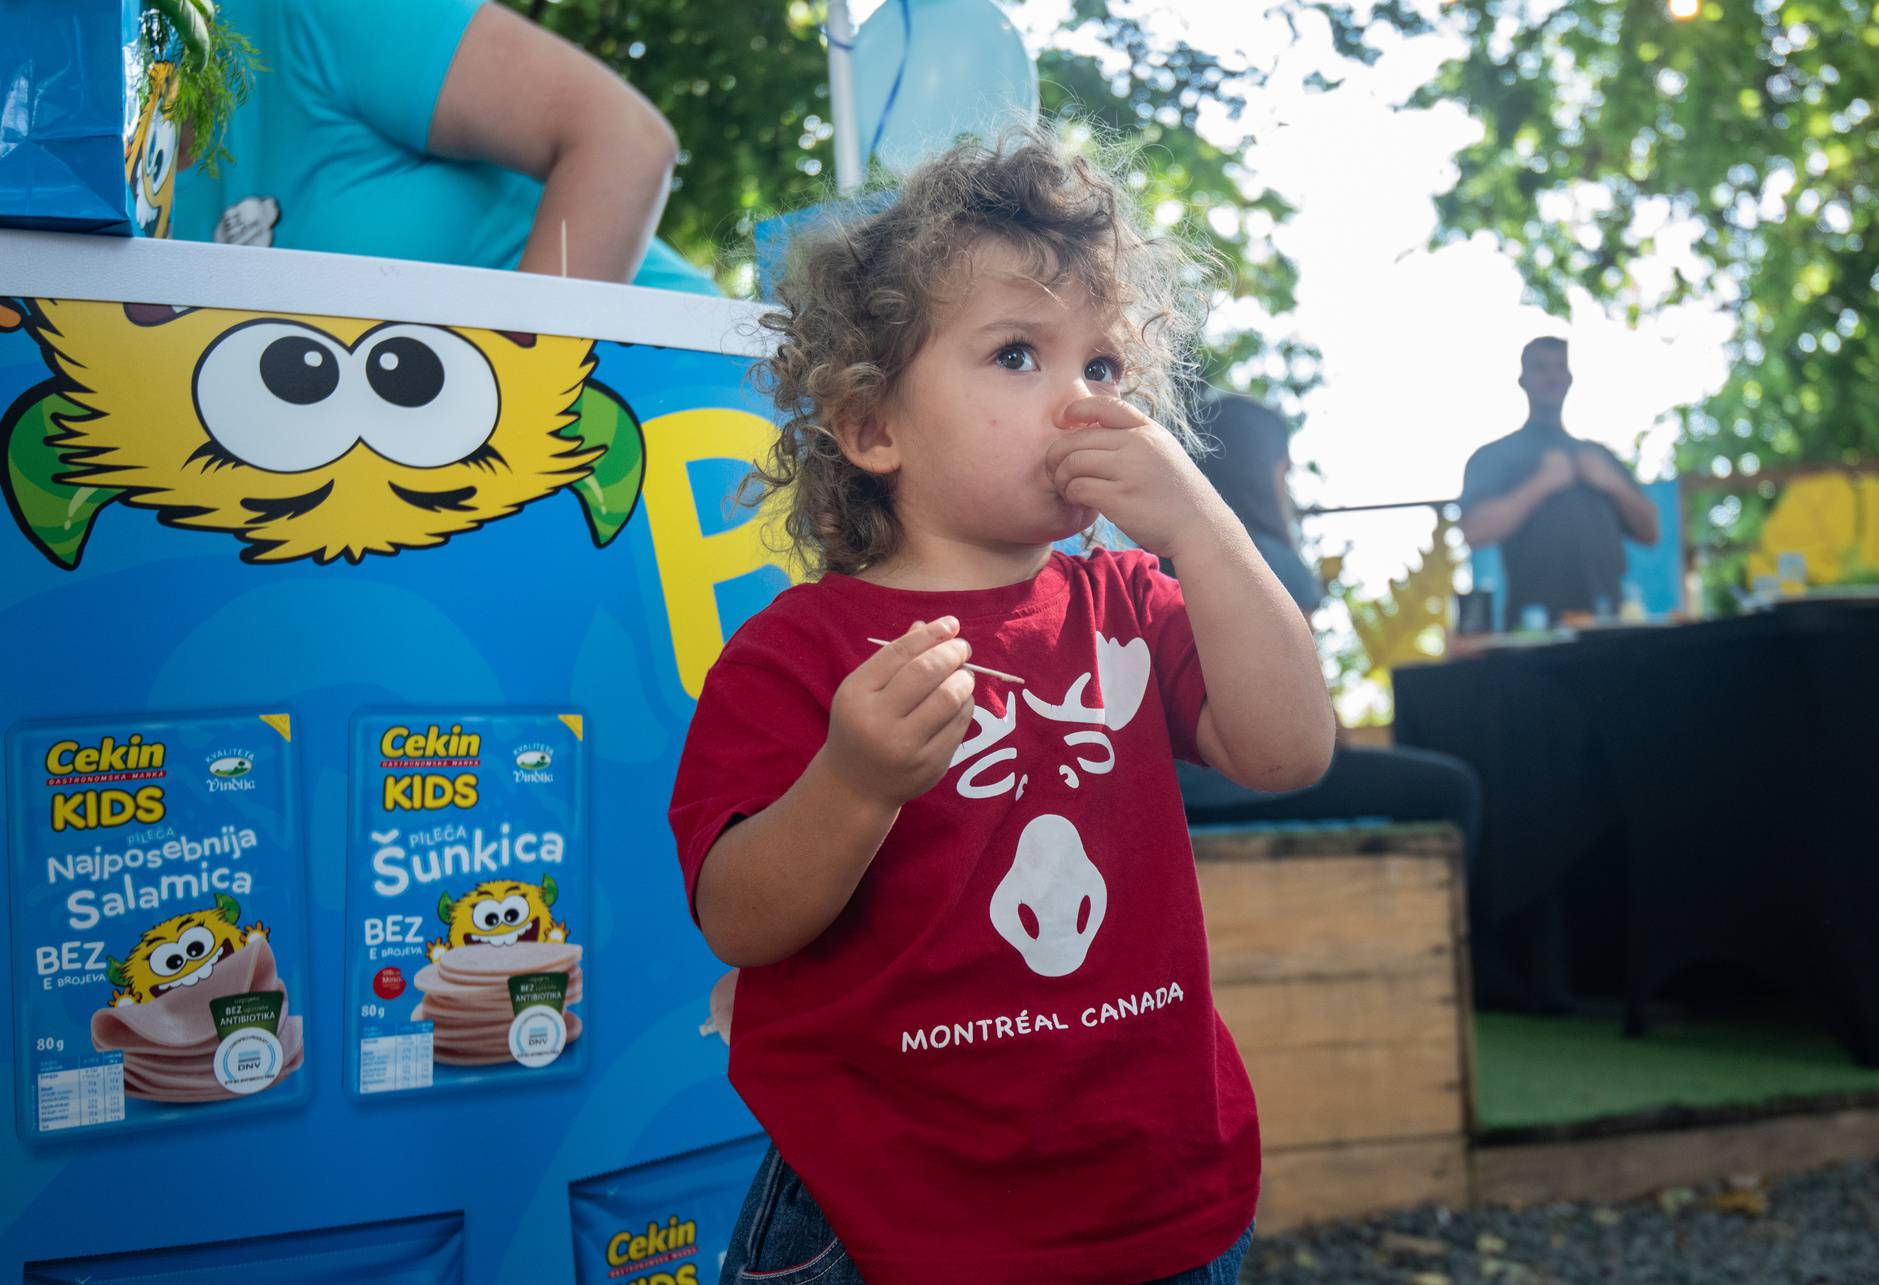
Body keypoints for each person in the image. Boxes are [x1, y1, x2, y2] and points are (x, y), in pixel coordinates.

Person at [667, 132, 1334, 1284]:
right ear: (874, 427)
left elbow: (1289, 748)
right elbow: (738, 919)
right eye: (1019, 353)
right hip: (886, 1220)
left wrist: (1198, 524)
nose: (1082, 403)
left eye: (1108, 368)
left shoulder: (1131, 601)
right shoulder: (798, 653)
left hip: (1158, 1196)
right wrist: (856, 782)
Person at [165, 0, 717, 292]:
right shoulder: (118, 201)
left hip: (685, 424)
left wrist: (524, 379)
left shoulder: (295, 15)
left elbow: (624, 139)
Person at [1173, 391, 1483, 872]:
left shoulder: (1154, 558)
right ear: (1264, 472)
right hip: (1258, 787)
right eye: (1285, 470)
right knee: (1454, 786)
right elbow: (1313, 720)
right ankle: (1470, 937)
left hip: (1182, 793)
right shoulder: (1268, 560)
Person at [1457, 336, 1659, 629]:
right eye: (1540, 368)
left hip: (1610, 624)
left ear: (1569, 378)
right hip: (1535, 630)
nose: (1551, 376)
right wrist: (1541, 484)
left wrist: (1612, 483)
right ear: (1523, 380)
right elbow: (1474, 531)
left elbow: (1650, 532)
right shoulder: (1495, 456)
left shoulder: (1599, 457)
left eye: (1559, 367)